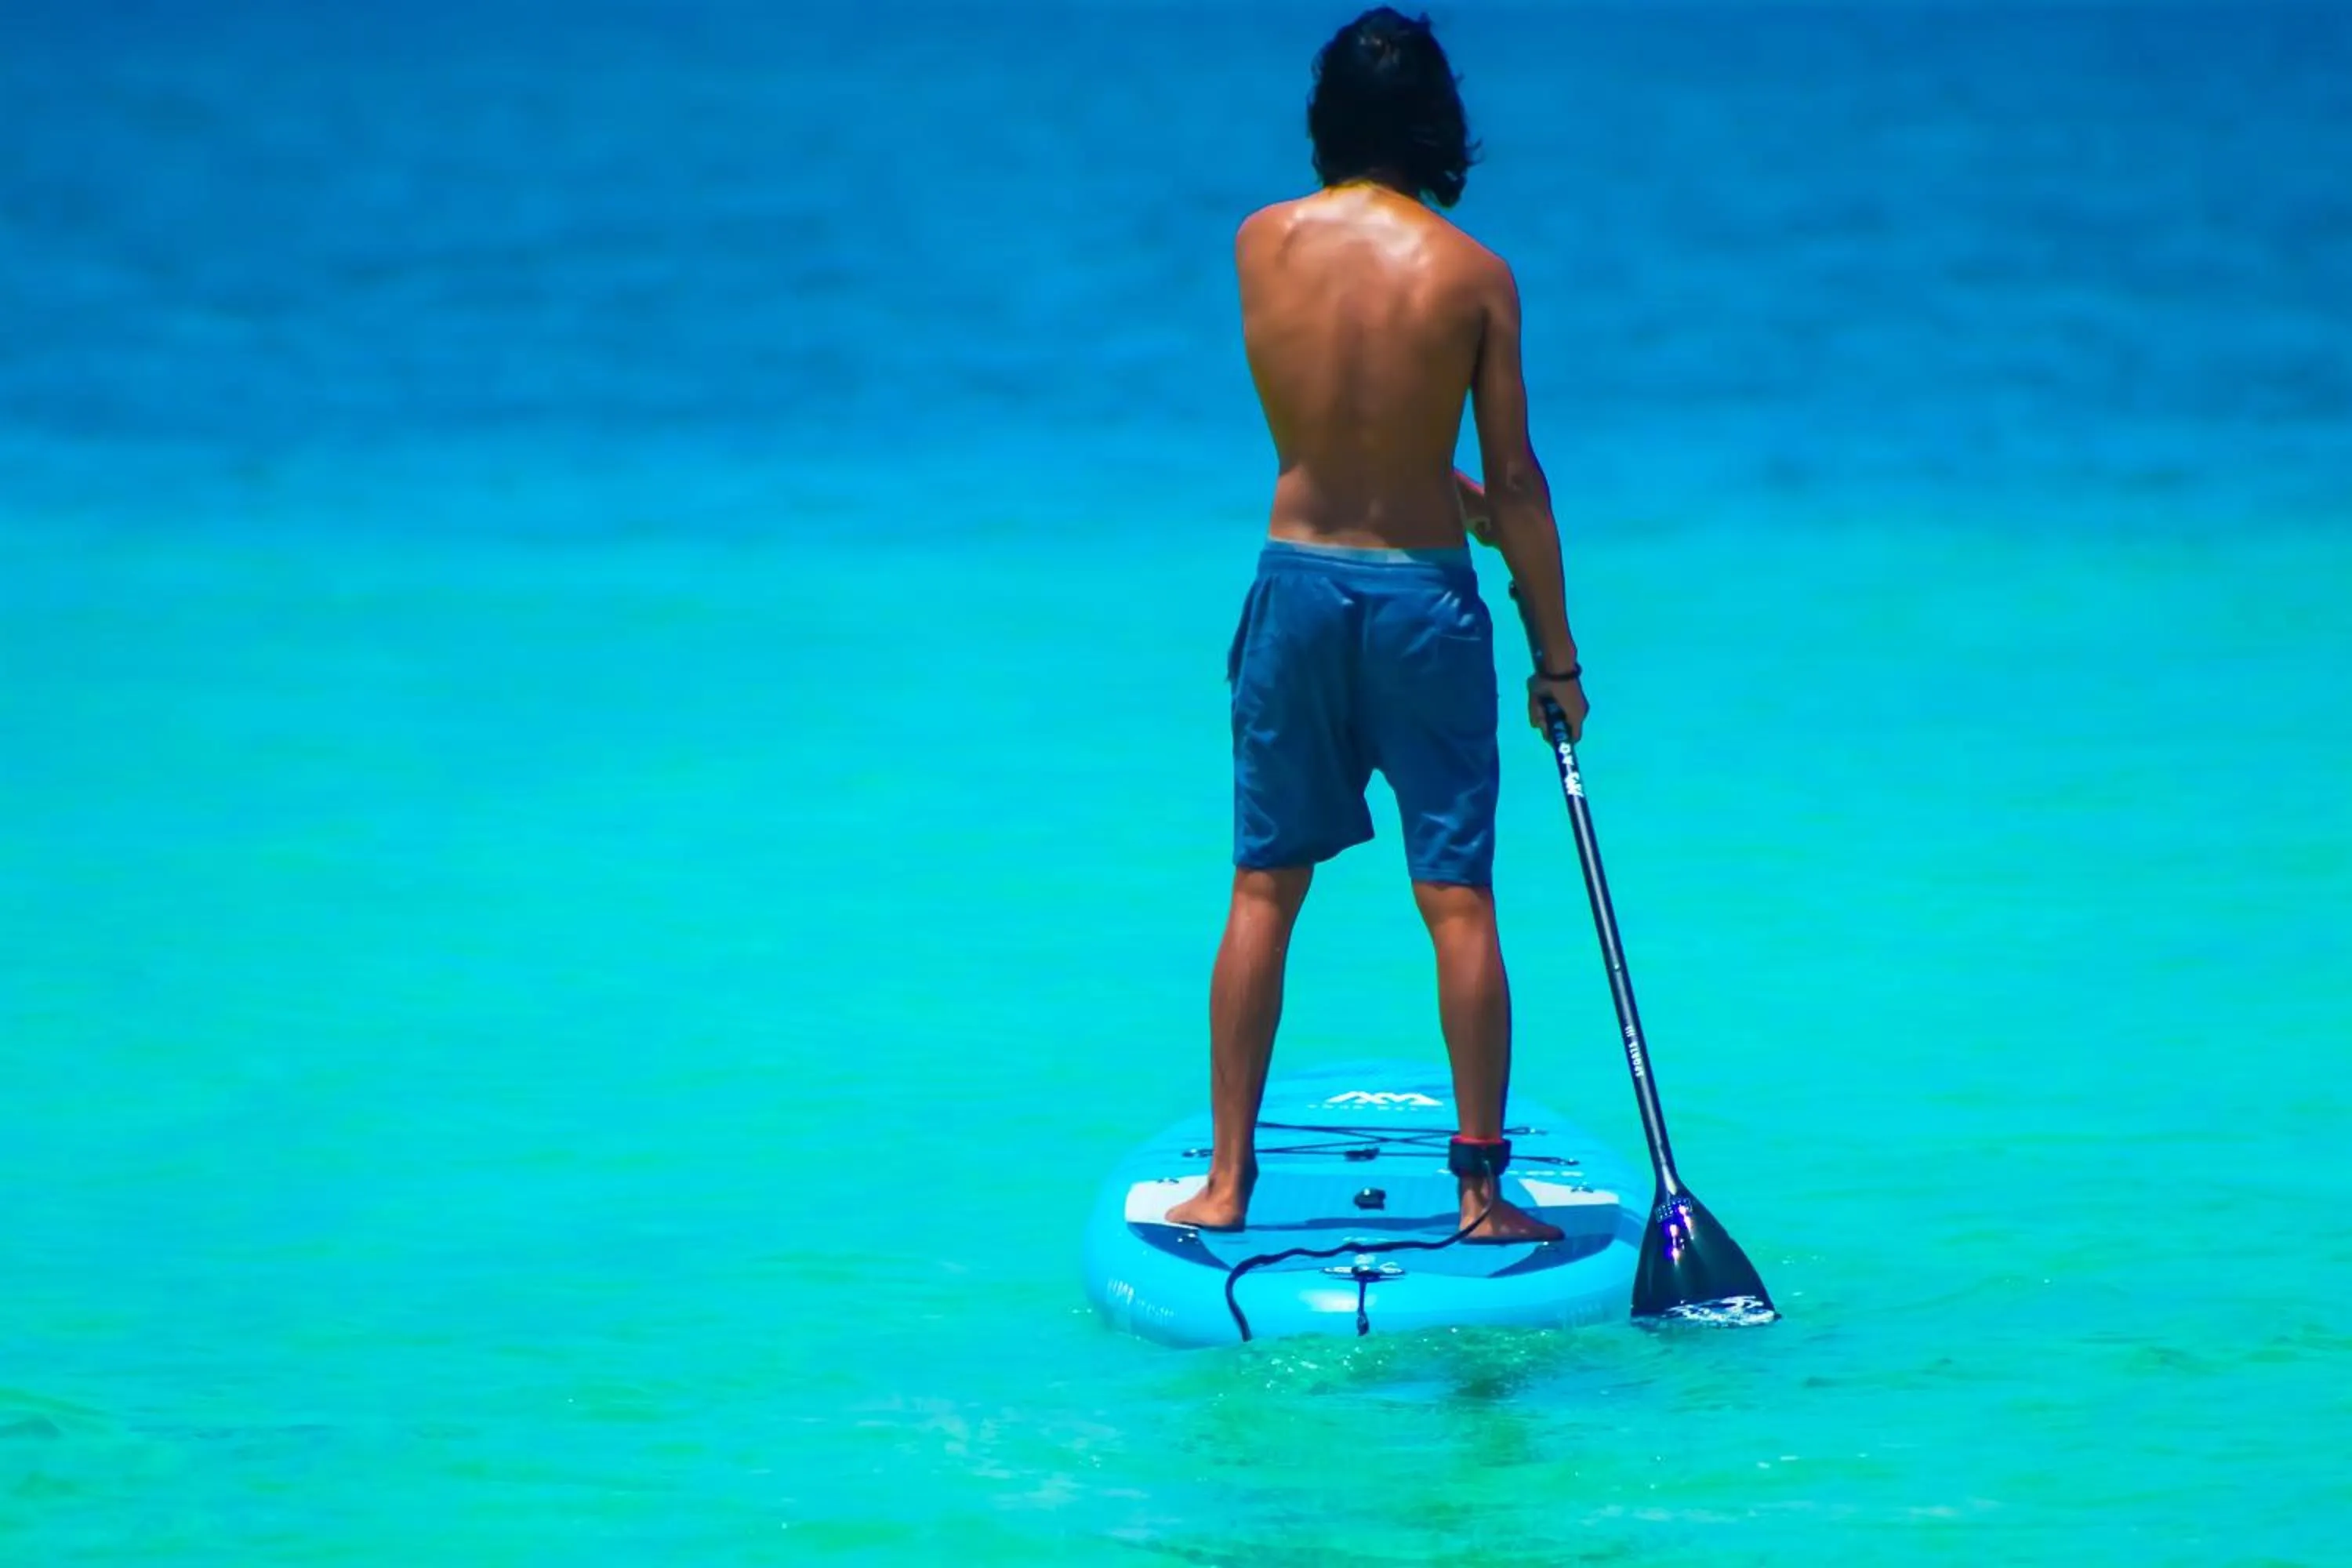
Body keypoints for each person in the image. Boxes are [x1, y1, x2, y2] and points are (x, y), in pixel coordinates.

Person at [1166, 7, 1588, 1243]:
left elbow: (1338, 437)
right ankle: (1478, 1196)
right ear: (1437, 126)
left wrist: (1476, 514)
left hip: (1296, 584)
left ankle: (1230, 1184)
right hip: (1422, 604)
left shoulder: (1260, 245)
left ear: (1325, 120)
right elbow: (1508, 483)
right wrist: (1555, 652)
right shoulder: (1473, 276)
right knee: (1456, 900)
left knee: (1261, 890)